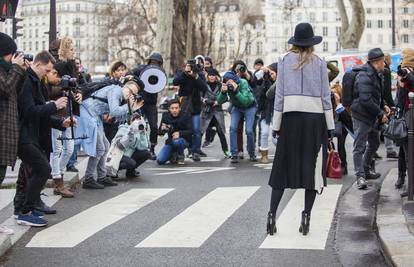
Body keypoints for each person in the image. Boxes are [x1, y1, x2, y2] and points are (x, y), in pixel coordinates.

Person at [266, 23, 334, 236]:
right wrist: (330, 126)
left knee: (282, 168)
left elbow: (279, 97)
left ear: (294, 42)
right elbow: (326, 97)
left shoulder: (284, 61)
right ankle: (306, 215)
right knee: (311, 172)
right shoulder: (321, 63)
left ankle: (271, 215)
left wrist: (276, 125)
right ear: (312, 42)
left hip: (290, 120)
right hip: (315, 121)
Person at [15, 51, 73, 227]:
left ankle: (26, 208)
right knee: (42, 169)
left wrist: (61, 122)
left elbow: (40, 113)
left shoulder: (35, 81)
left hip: (32, 134)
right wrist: (54, 106)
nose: (48, 74)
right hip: (25, 135)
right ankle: (25, 211)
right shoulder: (27, 81)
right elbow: (30, 112)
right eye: (47, 70)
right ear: (38, 64)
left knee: (36, 171)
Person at [78, 78, 144, 189]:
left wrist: (132, 109)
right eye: (130, 91)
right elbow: (114, 111)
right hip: (88, 112)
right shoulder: (116, 90)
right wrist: (129, 107)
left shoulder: (121, 96)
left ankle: (102, 177)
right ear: (124, 86)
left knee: (106, 146)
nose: (131, 95)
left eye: (134, 94)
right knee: (99, 148)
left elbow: (118, 118)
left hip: (94, 115)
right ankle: (88, 179)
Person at [351, 48, 389, 190]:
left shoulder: (377, 74)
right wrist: (380, 114)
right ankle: (360, 177)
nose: (384, 64)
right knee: (359, 146)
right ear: (377, 62)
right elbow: (365, 100)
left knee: (374, 143)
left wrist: (383, 105)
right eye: (383, 61)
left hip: (371, 114)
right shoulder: (364, 75)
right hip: (361, 115)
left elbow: (375, 94)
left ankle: (366, 170)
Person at [47, 65, 82, 198]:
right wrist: (63, 86)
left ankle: (58, 173)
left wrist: (77, 93)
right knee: (57, 149)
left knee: (69, 149)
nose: (57, 76)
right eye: (54, 73)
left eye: (58, 74)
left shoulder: (66, 83)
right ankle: (58, 182)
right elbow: (49, 93)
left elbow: (78, 91)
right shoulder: (48, 83)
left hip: (67, 116)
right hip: (54, 117)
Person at [0, 33, 28, 186]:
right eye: (12, 54)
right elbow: (6, 88)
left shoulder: (8, 71)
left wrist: (23, 73)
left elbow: (17, 92)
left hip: (5, 134)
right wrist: (16, 68)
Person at [216, 71, 257, 163]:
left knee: (249, 130)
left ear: (235, 80)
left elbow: (245, 101)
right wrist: (223, 92)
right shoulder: (225, 85)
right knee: (232, 128)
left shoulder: (243, 82)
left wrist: (236, 91)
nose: (229, 84)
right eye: (227, 82)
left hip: (249, 106)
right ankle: (234, 154)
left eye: (231, 81)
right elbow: (219, 101)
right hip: (237, 107)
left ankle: (252, 153)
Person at [173, 60, 208, 161]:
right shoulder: (182, 73)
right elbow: (175, 81)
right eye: (187, 66)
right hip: (184, 106)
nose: (189, 68)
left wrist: (195, 77)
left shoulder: (199, 75)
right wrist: (185, 73)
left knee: (196, 130)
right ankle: (182, 151)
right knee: (183, 129)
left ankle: (195, 151)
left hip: (196, 106)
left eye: (190, 66)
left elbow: (204, 88)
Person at [132, 52, 164, 160]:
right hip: (140, 101)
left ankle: (152, 148)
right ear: (149, 61)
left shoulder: (160, 73)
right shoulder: (141, 69)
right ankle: (139, 149)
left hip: (151, 103)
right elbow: (130, 74)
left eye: (157, 62)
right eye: (153, 61)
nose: (154, 64)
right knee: (139, 126)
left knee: (154, 126)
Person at [395, 49, 414, 193]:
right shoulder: (403, 74)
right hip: (404, 115)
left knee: (409, 152)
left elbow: (412, 81)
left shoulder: (409, 74)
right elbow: (400, 98)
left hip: (409, 116)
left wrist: (406, 76)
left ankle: (411, 187)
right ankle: (403, 178)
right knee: (404, 151)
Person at [200, 68, 230, 158]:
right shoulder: (204, 85)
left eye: (213, 75)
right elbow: (199, 97)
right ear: (207, 76)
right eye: (210, 75)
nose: (212, 77)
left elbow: (226, 97)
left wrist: (218, 102)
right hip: (206, 111)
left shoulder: (220, 85)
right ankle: (195, 150)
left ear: (216, 76)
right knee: (200, 132)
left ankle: (226, 151)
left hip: (217, 112)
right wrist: (205, 101)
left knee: (221, 132)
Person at [111, 113, 151, 178]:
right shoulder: (123, 129)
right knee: (131, 163)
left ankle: (130, 172)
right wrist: (130, 132)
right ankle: (112, 170)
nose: (137, 123)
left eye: (139, 121)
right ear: (130, 121)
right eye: (135, 120)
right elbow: (120, 145)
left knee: (147, 153)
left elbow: (143, 147)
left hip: (129, 155)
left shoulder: (138, 131)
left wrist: (143, 133)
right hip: (119, 154)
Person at [157, 99, 192, 165]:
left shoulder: (185, 115)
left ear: (180, 108)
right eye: (172, 108)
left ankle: (180, 156)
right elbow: (160, 133)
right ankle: (173, 154)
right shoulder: (165, 116)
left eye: (176, 108)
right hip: (170, 142)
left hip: (183, 140)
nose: (174, 110)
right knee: (160, 160)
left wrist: (179, 133)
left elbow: (191, 131)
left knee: (177, 141)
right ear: (169, 109)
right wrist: (163, 129)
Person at [331, 83, 354, 175]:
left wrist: (338, 104)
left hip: (342, 127)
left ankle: (344, 166)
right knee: (329, 145)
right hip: (332, 125)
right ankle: (331, 165)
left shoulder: (343, 105)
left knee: (341, 145)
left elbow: (347, 120)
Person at [257, 63, 278, 163]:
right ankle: (264, 155)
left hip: (278, 112)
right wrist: (264, 75)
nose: (272, 75)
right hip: (266, 111)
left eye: (273, 73)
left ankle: (281, 153)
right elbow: (255, 79)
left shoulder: (282, 83)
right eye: (271, 73)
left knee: (276, 138)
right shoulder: (266, 82)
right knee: (264, 133)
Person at [103, 61, 129, 143]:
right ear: (113, 72)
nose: (121, 72)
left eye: (123, 70)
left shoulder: (127, 83)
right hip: (109, 116)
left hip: (122, 116)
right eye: (118, 70)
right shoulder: (108, 83)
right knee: (110, 141)